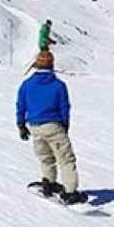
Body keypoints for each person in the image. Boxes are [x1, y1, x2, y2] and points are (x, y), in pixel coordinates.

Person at [17, 50, 86, 205]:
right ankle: (70, 193)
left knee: (46, 157)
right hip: (53, 126)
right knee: (66, 159)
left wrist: (21, 124)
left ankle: (49, 182)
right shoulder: (58, 85)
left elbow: (21, 105)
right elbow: (64, 107)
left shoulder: (27, 84)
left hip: (35, 127)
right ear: (52, 64)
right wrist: (65, 125)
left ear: (36, 65)